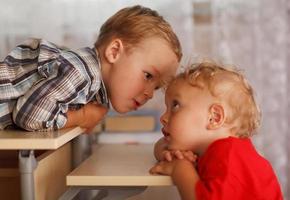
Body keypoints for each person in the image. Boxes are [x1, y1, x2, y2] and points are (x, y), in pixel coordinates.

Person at [0, 5, 182, 132]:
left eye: (157, 87)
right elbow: (29, 116)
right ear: (114, 51)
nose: (150, 94)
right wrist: (82, 117)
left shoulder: (91, 85)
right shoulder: (79, 71)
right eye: (148, 76)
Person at [150, 62, 283, 200]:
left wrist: (180, 168)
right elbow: (161, 146)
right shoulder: (213, 149)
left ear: (214, 117)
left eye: (175, 105)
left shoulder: (228, 157)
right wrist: (173, 156)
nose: (163, 118)